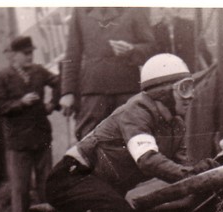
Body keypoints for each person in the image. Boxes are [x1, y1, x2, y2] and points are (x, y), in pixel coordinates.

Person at [31, 53, 218, 212]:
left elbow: (180, 171)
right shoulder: (137, 111)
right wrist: (189, 175)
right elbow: (147, 160)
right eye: (184, 88)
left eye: (192, 87)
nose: (191, 96)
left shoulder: (176, 125)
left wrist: (202, 172)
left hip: (102, 187)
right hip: (71, 177)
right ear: (162, 90)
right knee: (114, 210)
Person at [60, 7, 156, 141]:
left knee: (133, 140)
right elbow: (72, 54)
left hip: (126, 90)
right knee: (90, 142)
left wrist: (132, 50)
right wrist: (67, 92)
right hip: (93, 92)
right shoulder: (80, 10)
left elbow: (151, 47)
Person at [0, 36, 60, 212]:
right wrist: (20, 103)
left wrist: (52, 104)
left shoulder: (39, 71)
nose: (30, 56)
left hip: (42, 138)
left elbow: (60, 82)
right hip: (18, 143)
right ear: (14, 55)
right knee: (21, 190)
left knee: (46, 186)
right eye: (26, 53)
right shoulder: (3, 76)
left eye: (31, 53)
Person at [152, 8, 212, 72]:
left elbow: (202, 50)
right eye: (165, 7)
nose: (168, 10)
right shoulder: (155, 30)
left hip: (189, 71)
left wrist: (209, 67)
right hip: (167, 73)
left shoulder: (190, 25)